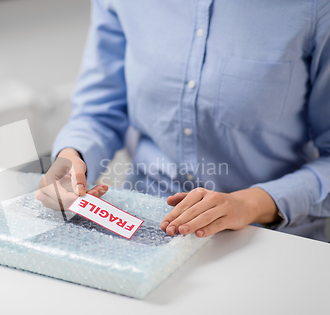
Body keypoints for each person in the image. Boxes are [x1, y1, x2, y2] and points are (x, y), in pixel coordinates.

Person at [36, 0, 330, 241]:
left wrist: (249, 203)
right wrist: (72, 158)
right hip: (143, 226)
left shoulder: (314, 8)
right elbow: (99, 111)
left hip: (270, 240)